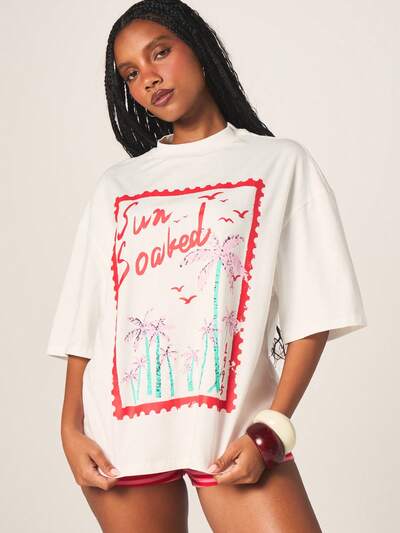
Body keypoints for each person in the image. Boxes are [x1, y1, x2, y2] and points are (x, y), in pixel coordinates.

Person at [46, 1, 368, 531]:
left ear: (198, 48)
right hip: (119, 438)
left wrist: (271, 428)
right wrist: (69, 429)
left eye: (159, 53)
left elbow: (316, 310)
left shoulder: (279, 163)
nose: (148, 79)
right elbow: (86, 314)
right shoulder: (117, 186)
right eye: (131, 74)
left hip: (233, 432)